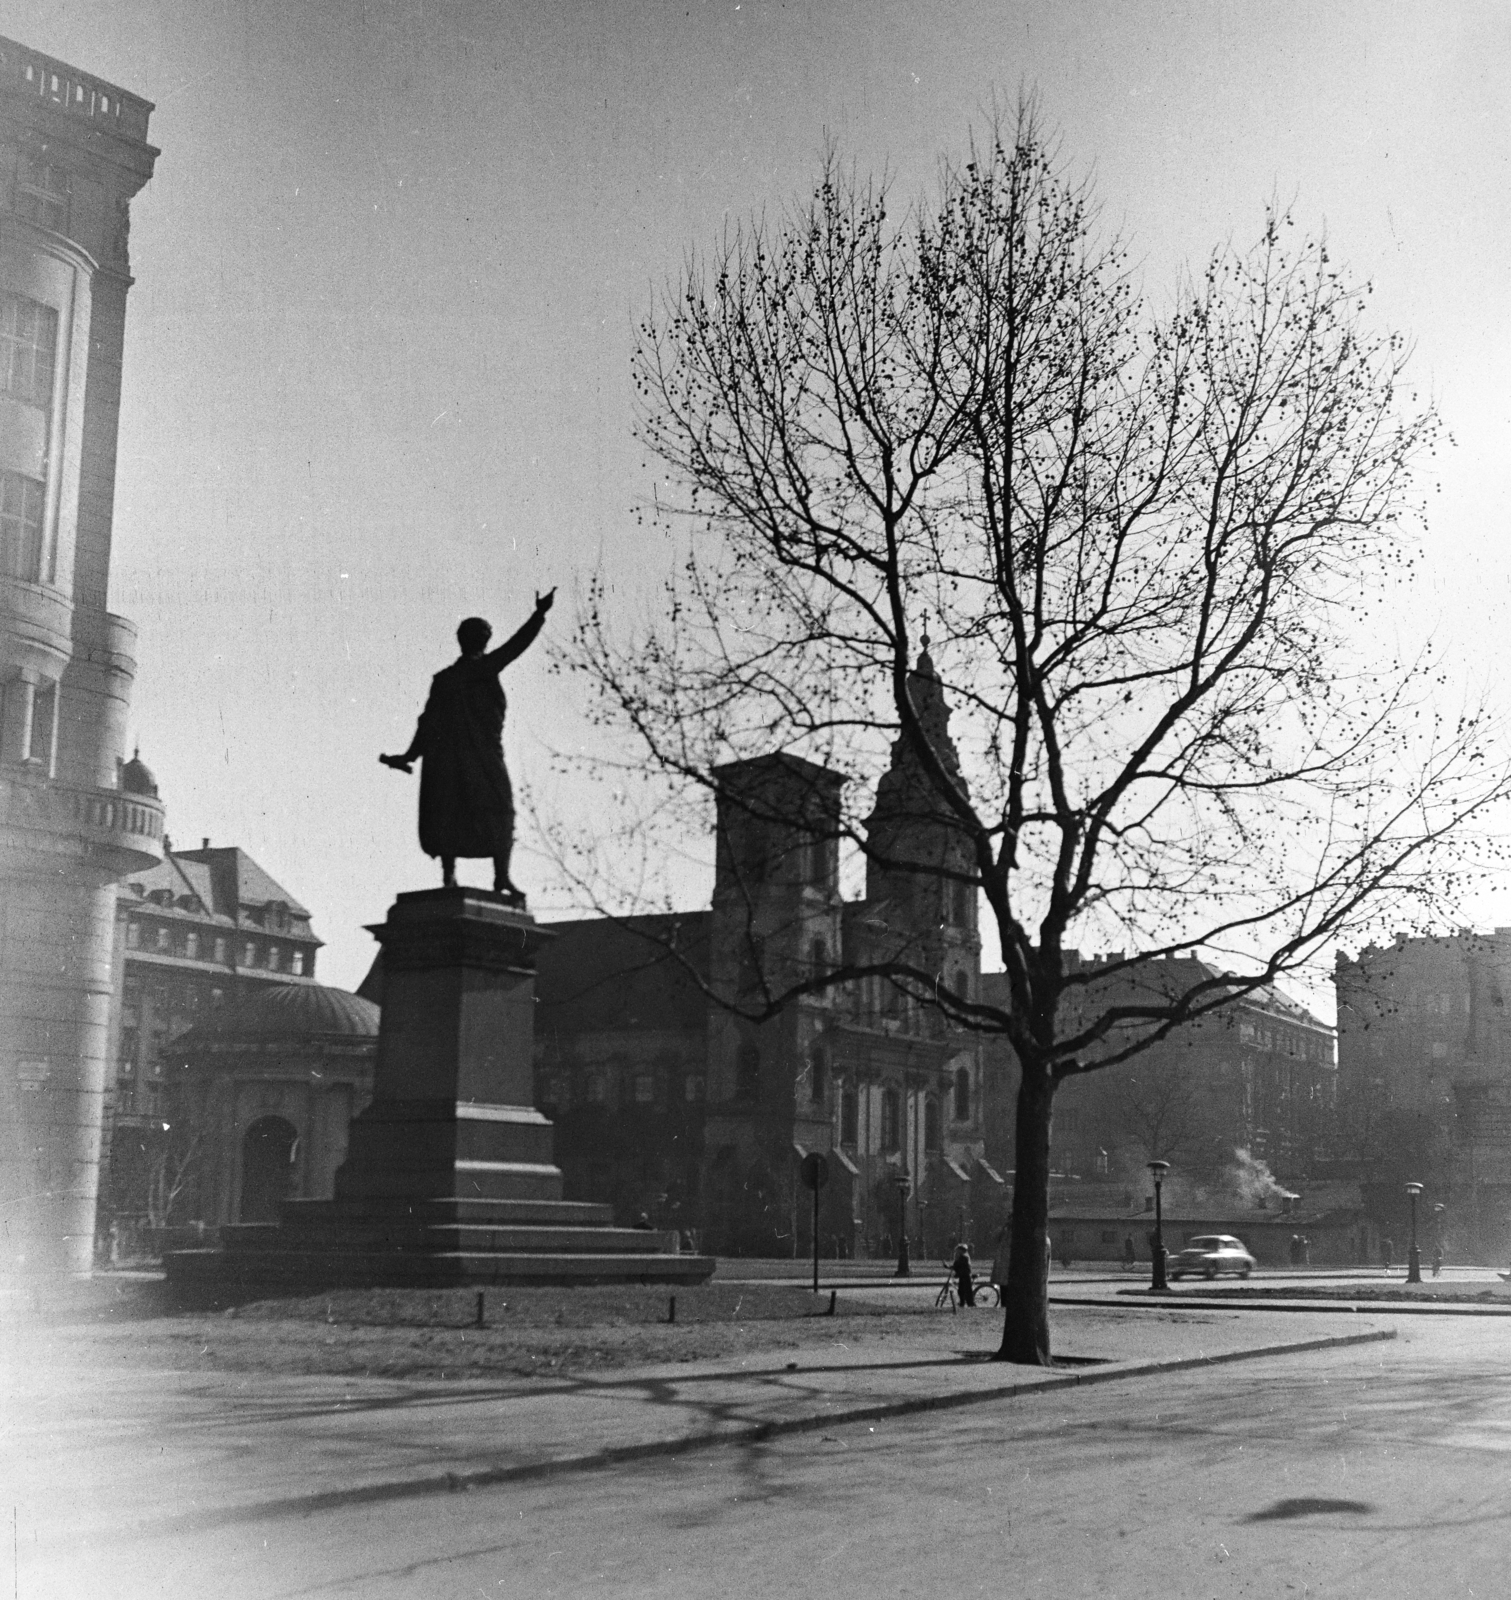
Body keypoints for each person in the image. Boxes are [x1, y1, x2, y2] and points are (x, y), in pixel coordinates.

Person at [381, 589, 555, 901]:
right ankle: (496, 876)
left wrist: (409, 755)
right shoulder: (478, 670)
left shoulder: (446, 678)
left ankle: (460, 874)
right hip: (477, 756)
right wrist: (539, 615)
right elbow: (517, 646)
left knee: (453, 810)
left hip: (453, 757)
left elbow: (426, 722)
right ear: (481, 641)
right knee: (494, 810)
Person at [951, 1242, 976, 1307]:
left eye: (958, 1250)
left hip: (965, 1276)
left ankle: (969, 1303)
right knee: (961, 1290)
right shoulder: (961, 1257)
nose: (956, 1252)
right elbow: (956, 1265)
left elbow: (958, 1265)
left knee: (965, 1291)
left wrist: (951, 1267)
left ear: (961, 1250)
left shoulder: (964, 1257)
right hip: (963, 1276)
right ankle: (963, 1303)